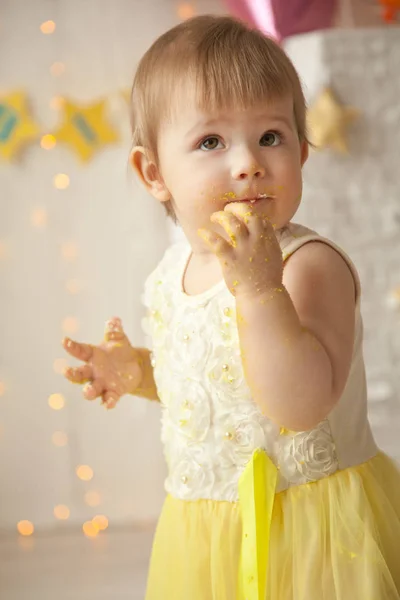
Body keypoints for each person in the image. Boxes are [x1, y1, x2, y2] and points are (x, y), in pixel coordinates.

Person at [62, 14, 400, 600]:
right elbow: (213, 390)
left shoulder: (307, 266)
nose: (247, 162)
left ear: (303, 149)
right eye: (211, 142)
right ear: (154, 172)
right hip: (206, 530)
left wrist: (261, 291)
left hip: (313, 532)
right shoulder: (171, 275)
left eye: (271, 137)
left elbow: (299, 404)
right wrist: (140, 372)